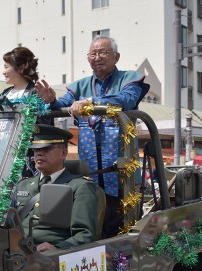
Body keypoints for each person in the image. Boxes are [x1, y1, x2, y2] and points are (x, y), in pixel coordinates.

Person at [36, 36, 149, 238]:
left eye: (103, 52)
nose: (97, 57)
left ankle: (122, 267)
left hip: (122, 167)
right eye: (93, 53)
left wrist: (90, 102)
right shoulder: (80, 85)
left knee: (122, 227)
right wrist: (52, 101)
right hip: (90, 167)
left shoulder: (129, 78)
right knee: (91, 220)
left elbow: (126, 100)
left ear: (116, 56)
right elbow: (63, 104)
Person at [13, 125, 98, 252]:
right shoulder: (23, 185)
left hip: (50, 256)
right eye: (36, 150)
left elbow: (85, 234)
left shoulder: (80, 186)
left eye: (46, 148)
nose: (39, 153)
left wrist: (57, 247)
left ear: (63, 153)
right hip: (18, 250)